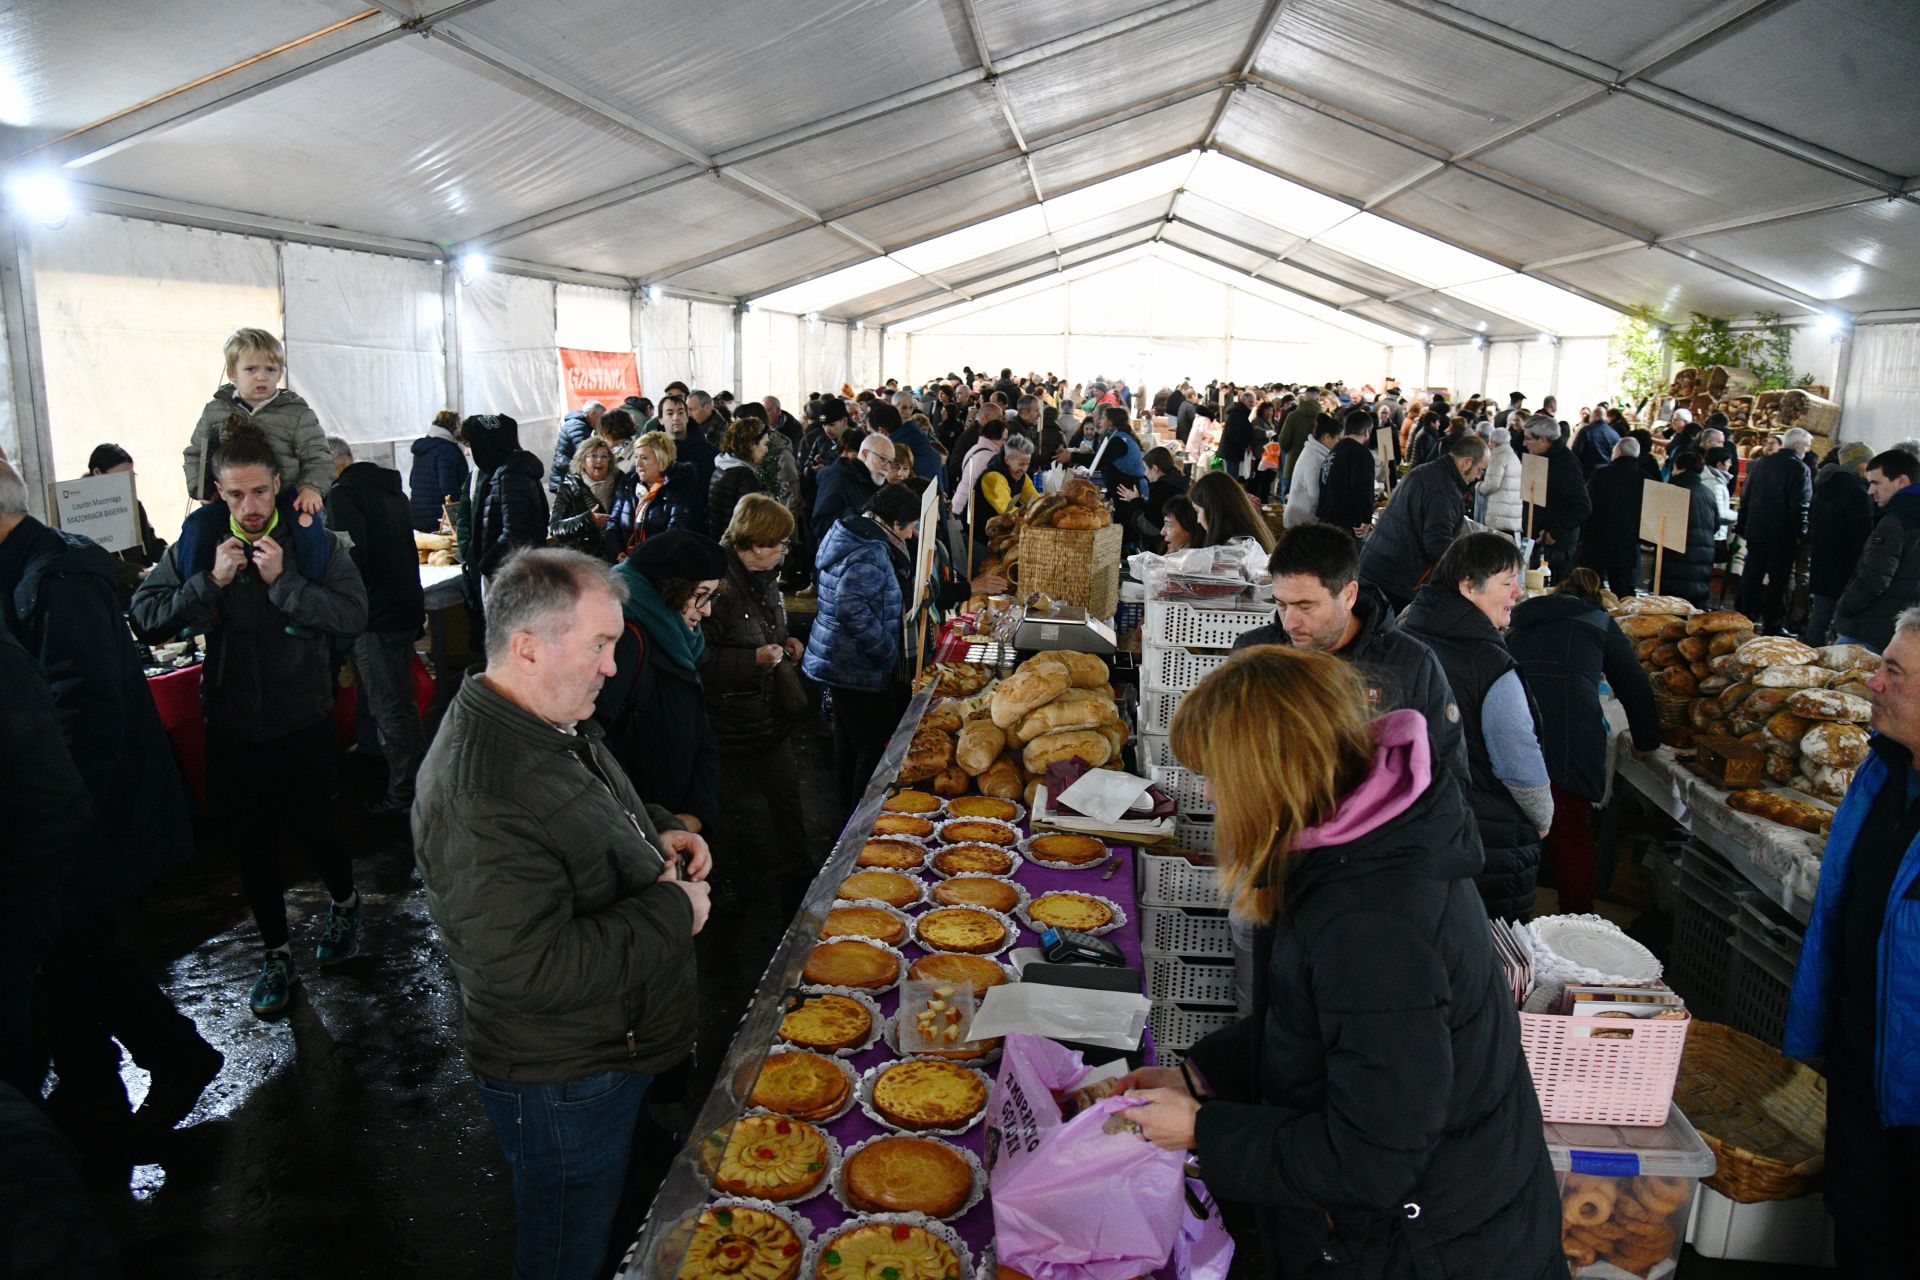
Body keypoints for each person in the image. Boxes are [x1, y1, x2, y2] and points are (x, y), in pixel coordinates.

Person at [1121, 647, 1563, 1280]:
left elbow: (1375, 1159)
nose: (1214, 796)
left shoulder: (1373, 921)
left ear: (1271, 772)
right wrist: (1200, 1077)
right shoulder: (1361, 842)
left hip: (1434, 1247)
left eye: (1220, 775)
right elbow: (1323, 1024)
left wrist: (1206, 1131)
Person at [413, 547, 709, 1280]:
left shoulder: (544, 717)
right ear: (527, 648)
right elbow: (527, 968)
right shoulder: (480, 788)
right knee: (565, 1252)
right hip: (565, 1079)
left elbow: (590, 810)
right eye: (601, 645)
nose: (612, 666)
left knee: (622, 1223)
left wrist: (657, 828)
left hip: (615, 1045)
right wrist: (673, 910)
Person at [0, 459, 217, 1147]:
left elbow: (84, 716)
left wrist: (59, 834)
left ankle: (162, 1067)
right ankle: (98, 1092)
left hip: (86, 814)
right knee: (72, 961)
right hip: (70, 814)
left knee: (79, 955)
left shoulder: (55, 578)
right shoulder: (32, 570)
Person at [131, 421, 369, 1018]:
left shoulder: (312, 542)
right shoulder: (199, 544)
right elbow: (145, 615)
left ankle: (344, 905)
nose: (250, 506)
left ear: (279, 484)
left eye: (260, 492)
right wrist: (209, 582)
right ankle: (276, 954)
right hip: (234, 725)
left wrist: (283, 584)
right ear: (218, 492)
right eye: (235, 495)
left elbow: (352, 614)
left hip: (302, 718)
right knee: (252, 845)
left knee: (318, 828)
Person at [1785, 605, 1920, 1275]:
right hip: (1859, 1071)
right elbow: (1837, 916)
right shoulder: (1878, 776)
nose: (1873, 682)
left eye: (1893, 672)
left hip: (1914, 1108)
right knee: (1858, 1241)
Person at [1402, 533, 1552, 921]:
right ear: (1468, 587)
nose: (1517, 593)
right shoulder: (1489, 666)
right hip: (1485, 842)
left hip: (1410, 829)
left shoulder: (1403, 630)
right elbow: (1519, 759)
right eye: (1507, 583)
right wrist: (1543, 817)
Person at [1507, 569, 1661, 913]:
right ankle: (1576, 920)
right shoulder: (1598, 620)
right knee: (1571, 834)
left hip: (1516, 728)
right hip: (1569, 737)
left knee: (1511, 828)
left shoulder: (1521, 616)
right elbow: (1634, 684)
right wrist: (1646, 741)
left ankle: (1505, 921)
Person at [700, 495, 813, 919]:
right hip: (731, 721)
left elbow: (766, 627)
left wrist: (785, 643)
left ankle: (800, 877)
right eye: (780, 543)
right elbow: (700, 659)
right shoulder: (718, 587)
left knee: (786, 798)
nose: (785, 551)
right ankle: (726, 889)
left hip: (771, 716)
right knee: (728, 812)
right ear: (756, 542)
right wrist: (752, 660)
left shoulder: (764, 578)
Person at [178, 328, 334, 596]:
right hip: (234, 497)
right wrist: (202, 489)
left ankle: (310, 593)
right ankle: (196, 596)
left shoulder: (296, 412)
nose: (262, 376)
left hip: (286, 494)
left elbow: (318, 455)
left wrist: (312, 488)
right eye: (251, 369)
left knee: (310, 528)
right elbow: (196, 453)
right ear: (232, 372)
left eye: (271, 369)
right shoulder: (216, 411)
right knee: (196, 525)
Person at [594, 530, 725, 835]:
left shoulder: (680, 640)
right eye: (699, 595)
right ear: (667, 589)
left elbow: (700, 729)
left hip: (678, 822)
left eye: (711, 596)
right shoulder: (622, 642)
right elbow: (595, 743)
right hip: (640, 829)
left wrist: (698, 811)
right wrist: (656, 825)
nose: (707, 610)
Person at [325, 437, 428, 817]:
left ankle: (404, 796)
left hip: (374, 615)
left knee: (389, 707)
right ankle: (420, 785)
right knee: (402, 704)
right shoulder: (389, 489)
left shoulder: (343, 496)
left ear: (333, 463)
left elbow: (351, 559)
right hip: (402, 607)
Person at [803, 484, 919, 811]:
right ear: (894, 523)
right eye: (909, 527)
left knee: (848, 746)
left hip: (838, 659)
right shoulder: (871, 549)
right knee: (869, 748)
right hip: (856, 665)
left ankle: (844, 814)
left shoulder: (851, 532)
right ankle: (858, 823)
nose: (911, 535)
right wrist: (885, 649)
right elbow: (850, 605)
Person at [1358, 433, 1488, 613]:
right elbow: (1437, 545)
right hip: (1395, 579)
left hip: (1376, 566)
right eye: (1480, 470)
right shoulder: (1444, 490)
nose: (1478, 477)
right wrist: (1468, 572)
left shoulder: (1426, 470)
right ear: (1466, 462)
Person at [1831, 448, 1920, 653]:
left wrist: (1844, 608)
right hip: (1903, 632)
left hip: (1870, 630)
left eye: (1876, 483)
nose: (1870, 490)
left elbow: (1875, 578)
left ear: (1901, 481)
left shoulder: (1896, 520)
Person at [1736, 426, 1814, 634]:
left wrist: (1743, 525)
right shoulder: (1799, 469)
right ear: (1797, 445)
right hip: (1782, 535)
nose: (1807, 450)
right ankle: (1773, 625)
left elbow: (1746, 496)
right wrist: (1802, 533)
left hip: (1756, 530)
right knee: (1777, 582)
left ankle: (1744, 619)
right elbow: (1800, 506)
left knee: (1752, 575)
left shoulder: (1761, 464)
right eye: (1806, 445)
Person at [467, 413, 550, 581]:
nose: (469, 452)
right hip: (510, 567)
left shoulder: (511, 475)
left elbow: (513, 532)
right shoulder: (505, 471)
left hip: (510, 571)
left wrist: (485, 564)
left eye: (472, 444)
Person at [84, 442, 168, 606]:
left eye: (132, 477)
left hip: (142, 586)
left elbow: (150, 544)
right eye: (122, 477)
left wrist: (169, 552)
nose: (129, 484)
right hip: (111, 593)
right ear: (97, 473)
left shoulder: (133, 504)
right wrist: (139, 573)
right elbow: (96, 562)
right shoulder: (83, 512)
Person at [1805, 445, 1873, 647]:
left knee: (1820, 615)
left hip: (1822, 560)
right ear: (1861, 463)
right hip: (1846, 565)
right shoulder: (1858, 493)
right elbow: (1862, 535)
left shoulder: (1824, 487)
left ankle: (1812, 658)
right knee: (1841, 621)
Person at [1521, 416, 1591, 586]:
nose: (1524, 443)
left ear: (1544, 440)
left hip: (1555, 547)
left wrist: (1554, 532)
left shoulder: (1564, 464)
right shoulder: (1540, 457)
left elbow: (1582, 506)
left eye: (1529, 438)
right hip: (1534, 538)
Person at [1577, 438, 1646, 598]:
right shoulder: (1646, 478)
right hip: (1627, 544)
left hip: (1597, 540)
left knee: (1591, 588)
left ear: (1618, 452)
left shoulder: (1601, 474)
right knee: (1621, 591)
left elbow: (1588, 505)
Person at [1663, 451, 1722, 608]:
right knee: (1694, 609)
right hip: (1703, 557)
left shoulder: (1673, 490)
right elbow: (1716, 525)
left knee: (1672, 609)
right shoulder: (1708, 493)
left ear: (1680, 467)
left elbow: (1660, 526)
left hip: (1675, 559)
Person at [549, 436, 621, 558]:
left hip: (619, 554)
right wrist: (587, 520)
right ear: (582, 461)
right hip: (586, 558)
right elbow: (555, 528)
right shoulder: (570, 487)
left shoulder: (621, 482)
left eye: (604, 456)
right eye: (593, 456)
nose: (599, 460)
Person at [812, 430, 889, 543]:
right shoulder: (835, 479)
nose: (846, 455)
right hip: (840, 549)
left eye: (851, 451)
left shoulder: (871, 476)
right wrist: (858, 512)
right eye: (843, 451)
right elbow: (819, 525)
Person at [1316, 409, 1378, 536]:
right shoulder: (1361, 453)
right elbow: (1363, 488)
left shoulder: (1335, 450)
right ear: (1367, 431)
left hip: (1326, 520)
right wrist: (1366, 519)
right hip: (1345, 525)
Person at [408, 409, 470, 533]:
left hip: (416, 513)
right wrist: (460, 509)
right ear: (454, 427)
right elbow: (448, 486)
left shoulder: (423, 448)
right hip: (439, 517)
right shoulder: (447, 450)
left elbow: (412, 481)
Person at [1117, 446, 1188, 547]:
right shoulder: (1178, 482)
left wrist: (1134, 501)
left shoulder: (1162, 490)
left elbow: (1148, 527)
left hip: (1162, 547)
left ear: (1155, 469)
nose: (1144, 473)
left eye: (1145, 469)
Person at [707, 417, 767, 538]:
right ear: (751, 445)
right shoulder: (746, 477)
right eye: (764, 444)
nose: (767, 450)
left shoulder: (722, 467)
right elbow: (749, 523)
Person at [1190, 470, 1275, 554]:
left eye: (1197, 511)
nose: (1198, 520)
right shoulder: (1248, 532)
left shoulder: (1233, 549)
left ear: (1212, 510)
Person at [659, 394, 717, 515]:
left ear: (687, 416)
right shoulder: (653, 452)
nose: (676, 417)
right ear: (661, 419)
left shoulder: (709, 452)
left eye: (680, 413)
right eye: (669, 413)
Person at [1281, 414, 1339, 529]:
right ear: (1327, 437)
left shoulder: (1314, 452)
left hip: (1300, 519)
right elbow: (1315, 496)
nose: (1339, 443)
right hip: (1301, 522)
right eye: (1338, 438)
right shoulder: (1315, 459)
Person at [973, 433, 1038, 519]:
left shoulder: (1022, 477)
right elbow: (1007, 511)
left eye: (1028, 464)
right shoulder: (993, 477)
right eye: (1021, 464)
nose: (1025, 469)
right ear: (1007, 460)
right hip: (983, 528)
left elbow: (1036, 501)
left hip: (1003, 526)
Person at [548, 400, 605, 492]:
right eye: (600, 417)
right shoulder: (577, 426)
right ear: (592, 414)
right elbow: (585, 451)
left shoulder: (580, 425)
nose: (601, 422)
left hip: (565, 475)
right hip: (564, 477)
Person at [1481, 424, 1523, 536]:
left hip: (1499, 514)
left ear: (1494, 443)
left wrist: (1479, 487)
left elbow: (1492, 484)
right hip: (1512, 513)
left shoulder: (1497, 458)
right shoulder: (1513, 456)